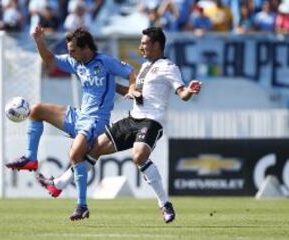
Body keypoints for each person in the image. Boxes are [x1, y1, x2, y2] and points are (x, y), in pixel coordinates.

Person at [36, 27, 202, 223]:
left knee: (139, 156)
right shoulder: (144, 67)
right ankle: (59, 184)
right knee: (94, 147)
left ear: (157, 45)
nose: (141, 47)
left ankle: (164, 204)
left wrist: (189, 90)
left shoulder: (168, 67)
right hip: (132, 118)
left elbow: (181, 93)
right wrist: (107, 84)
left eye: (144, 43)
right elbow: (131, 92)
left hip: (151, 121)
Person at [5, 26, 136, 221]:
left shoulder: (105, 62)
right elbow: (49, 60)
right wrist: (39, 41)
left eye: (73, 50)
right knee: (37, 110)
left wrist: (132, 88)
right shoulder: (76, 62)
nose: (70, 53)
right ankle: (31, 158)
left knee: (75, 154)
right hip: (80, 116)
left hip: (96, 120)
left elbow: (131, 73)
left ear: (85, 48)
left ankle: (82, 206)